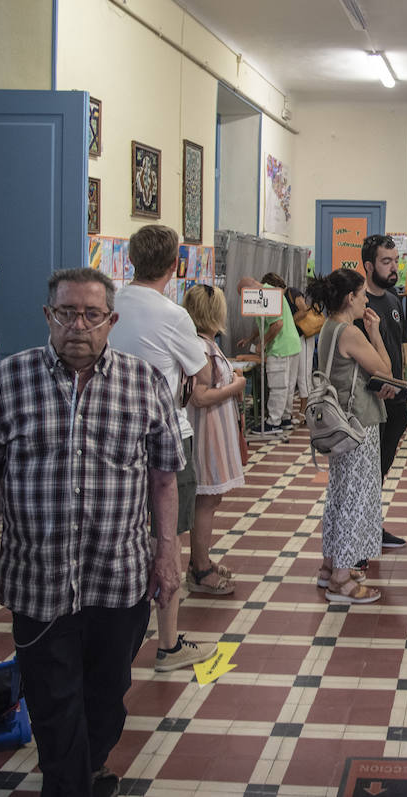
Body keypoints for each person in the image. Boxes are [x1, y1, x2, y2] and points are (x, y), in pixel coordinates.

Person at [0, 267, 183, 797]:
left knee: (107, 693)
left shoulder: (144, 382)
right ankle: (69, 780)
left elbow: (164, 477)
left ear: (111, 321)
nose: (77, 326)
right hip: (38, 579)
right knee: (53, 699)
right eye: (66, 313)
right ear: (48, 316)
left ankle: (88, 762)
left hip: (119, 576)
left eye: (90, 315)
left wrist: (167, 555)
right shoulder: (5, 382)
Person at [107, 224, 218, 672]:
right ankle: (169, 644)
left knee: (119, 534)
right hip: (166, 437)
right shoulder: (172, 315)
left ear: (131, 260)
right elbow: (202, 375)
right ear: (176, 266)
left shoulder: (110, 303)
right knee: (165, 539)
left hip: (113, 437)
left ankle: (116, 634)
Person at [309, 268, 391, 604]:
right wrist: (376, 333)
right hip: (358, 425)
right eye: (361, 295)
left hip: (338, 422)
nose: (365, 300)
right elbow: (385, 370)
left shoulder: (329, 327)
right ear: (349, 298)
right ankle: (341, 580)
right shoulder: (351, 332)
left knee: (340, 494)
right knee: (356, 498)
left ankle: (330, 566)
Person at [182, 284, 248, 597]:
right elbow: (200, 395)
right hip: (206, 430)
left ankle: (201, 559)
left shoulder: (206, 343)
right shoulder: (199, 346)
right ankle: (200, 569)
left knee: (211, 499)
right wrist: (236, 386)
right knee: (205, 501)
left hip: (215, 428)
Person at [358, 234, 407, 551]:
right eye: (386, 261)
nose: (393, 268)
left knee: (381, 469)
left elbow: (396, 347)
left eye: (395, 260)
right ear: (368, 265)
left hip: (396, 400)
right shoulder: (358, 304)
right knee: (366, 470)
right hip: (371, 402)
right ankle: (363, 529)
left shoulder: (393, 300)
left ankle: (372, 525)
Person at [262, 273, 319, 402]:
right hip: (293, 339)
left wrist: (289, 323)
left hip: (303, 336)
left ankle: (305, 411)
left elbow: (303, 310)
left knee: (303, 374)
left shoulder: (291, 293)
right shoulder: (278, 298)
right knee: (292, 378)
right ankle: (295, 410)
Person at [258, 271, 302, 435]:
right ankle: (285, 418)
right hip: (293, 344)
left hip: (280, 348)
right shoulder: (278, 295)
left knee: (278, 386)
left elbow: (276, 325)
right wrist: (252, 337)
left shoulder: (267, 294)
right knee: (289, 386)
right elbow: (267, 322)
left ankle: (273, 422)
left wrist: (263, 343)